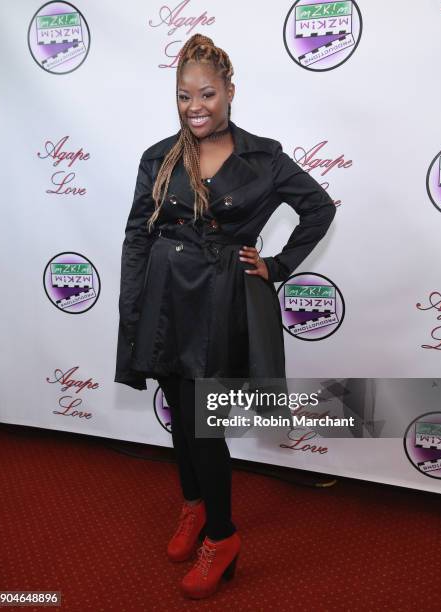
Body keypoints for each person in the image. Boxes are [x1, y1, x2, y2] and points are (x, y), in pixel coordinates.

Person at [115, 33, 336, 599]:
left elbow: (318, 206)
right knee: (178, 413)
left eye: (207, 94)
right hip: (164, 298)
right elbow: (138, 235)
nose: (195, 107)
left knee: (199, 423)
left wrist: (279, 264)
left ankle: (222, 535)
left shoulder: (262, 158)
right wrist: (133, 306)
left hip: (217, 302)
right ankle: (193, 507)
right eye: (184, 95)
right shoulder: (159, 157)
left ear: (230, 92)